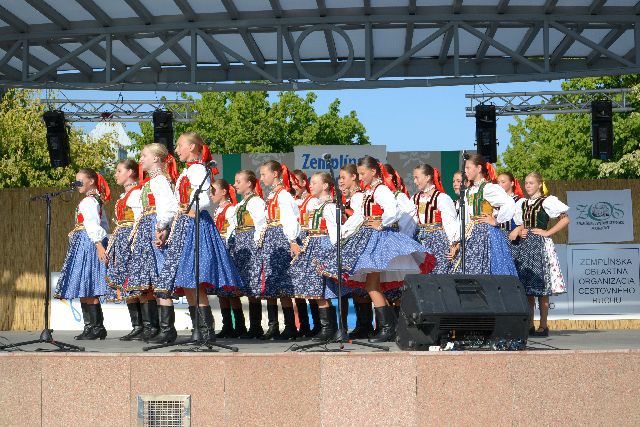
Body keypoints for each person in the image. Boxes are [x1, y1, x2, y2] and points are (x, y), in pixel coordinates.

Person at [316, 156, 434, 342]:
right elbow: (360, 216)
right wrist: (344, 231)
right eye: (359, 174)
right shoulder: (368, 192)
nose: (360, 177)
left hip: (378, 240)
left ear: (373, 172)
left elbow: (393, 210)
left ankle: (388, 328)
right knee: (372, 285)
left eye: (363, 173)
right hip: (367, 238)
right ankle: (391, 327)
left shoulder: (381, 190)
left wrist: (381, 222)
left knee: (371, 285)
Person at [155, 132, 243, 343]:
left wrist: (188, 212)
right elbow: (178, 202)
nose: (177, 150)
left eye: (180, 145)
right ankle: (199, 329)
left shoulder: (197, 169)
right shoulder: (189, 171)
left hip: (194, 225)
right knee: (188, 280)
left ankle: (205, 330)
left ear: (192, 147)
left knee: (194, 279)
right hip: (184, 224)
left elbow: (203, 199)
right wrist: (167, 226)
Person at [127, 143, 179, 343]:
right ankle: (159, 328)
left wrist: (162, 227)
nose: (141, 159)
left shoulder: (159, 180)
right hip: (148, 227)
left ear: (156, 158)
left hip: (155, 227)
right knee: (154, 277)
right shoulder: (152, 181)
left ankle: (168, 329)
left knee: (161, 275)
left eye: (144, 155)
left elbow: (169, 206)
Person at [509, 172, 569, 337]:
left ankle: (543, 325)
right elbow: (521, 224)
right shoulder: (522, 203)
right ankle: (529, 324)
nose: (528, 186)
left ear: (539, 184)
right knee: (527, 288)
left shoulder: (547, 201)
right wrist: (520, 230)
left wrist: (548, 232)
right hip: (525, 245)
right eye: (526, 183)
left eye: (531, 183)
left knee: (542, 288)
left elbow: (565, 219)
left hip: (540, 245)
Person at [54, 168, 110, 340]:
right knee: (84, 285)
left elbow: (95, 225)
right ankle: (90, 327)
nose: (77, 184)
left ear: (91, 181)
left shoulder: (89, 201)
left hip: (88, 243)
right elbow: (104, 225)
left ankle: (96, 327)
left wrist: (99, 244)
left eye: (80, 181)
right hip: (85, 241)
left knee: (89, 284)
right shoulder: (93, 200)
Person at [290, 172, 340, 341]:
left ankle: (329, 329)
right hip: (313, 246)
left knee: (322, 290)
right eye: (310, 183)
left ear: (325, 186)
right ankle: (327, 328)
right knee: (317, 290)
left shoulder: (330, 207)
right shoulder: (318, 206)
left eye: (314, 182)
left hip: (323, 248)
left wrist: (332, 254)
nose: (310, 185)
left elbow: (335, 232)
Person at [451, 154, 517, 276]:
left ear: (479, 168)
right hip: (470, 234)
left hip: (486, 234)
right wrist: (457, 241)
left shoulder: (488, 188)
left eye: (468, 168)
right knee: (467, 271)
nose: (465, 171)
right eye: (465, 169)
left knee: (488, 270)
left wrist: (496, 221)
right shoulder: (468, 191)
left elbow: (509, 203)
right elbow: (463, 218)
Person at [257, 160, 301, 340]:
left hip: (280, 239)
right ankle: (273, 326)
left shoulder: (283, 195)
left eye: (264, 174)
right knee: (271, 282)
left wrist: (292, 240)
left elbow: (290, 218)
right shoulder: (273, 195)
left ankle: (290, 327)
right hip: (271, 239)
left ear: (275, 174)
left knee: (282, 283)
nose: (261, 178)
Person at [105, 159, 145, 341]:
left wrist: (135, 242)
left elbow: (139, 219)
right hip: (122, 240)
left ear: (130, 172)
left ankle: (147, 326)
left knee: (135, 281)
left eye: (119, 170)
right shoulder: (125, 195)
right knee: (126, 282)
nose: (116, 174)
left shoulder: (137, 194)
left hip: (131, 240)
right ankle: (137, 326)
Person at [227, 170, 267, 339]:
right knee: (244, 285)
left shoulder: (256, 201)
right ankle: (245, 326)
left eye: (238, 181)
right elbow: (233, 226)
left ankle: (256, 327)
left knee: (252, 284)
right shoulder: (240, 204)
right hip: (240, 243)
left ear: (249, 183)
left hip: (251, 242)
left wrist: (256, 245)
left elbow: (261, 223)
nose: (235, 185)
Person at [338, 164, 372, 339]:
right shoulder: (350, 198)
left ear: (354, 177)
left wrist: (343, 232)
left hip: (356, 241)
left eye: (343, 177)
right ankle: (361, 324)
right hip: (350, 241)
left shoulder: (358, 197)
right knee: (355, 286)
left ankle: (365, 325)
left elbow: (359, 218)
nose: (341, 181)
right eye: (339, 178)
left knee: (361, 286)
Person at [210, 178, 247, 338]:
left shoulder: (231, 209)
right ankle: (227, 326)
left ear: (224, 192)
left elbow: (233, 230)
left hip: (228, 250)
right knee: (221, 291)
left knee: (231, 291)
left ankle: (240, 326)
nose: (211, 195)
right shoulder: (217, 210)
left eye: (214, 191)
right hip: (220, 250)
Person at [412, 163, 459, 274]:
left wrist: (453, 244)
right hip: (420, 241)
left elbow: (450, 223)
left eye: (417, 177)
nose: (414, 181)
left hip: (437, 241)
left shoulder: (442, 198)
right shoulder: (414, 198)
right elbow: (409, 223)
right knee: (421, 274)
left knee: (438, 273)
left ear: (427, 177)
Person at [291, 169, 314, 337]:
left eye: (295, 183)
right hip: (295, 243)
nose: (293, 186)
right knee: (297, 286)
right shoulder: (291, 201)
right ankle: (304, 326)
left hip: (309, 242)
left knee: (311, 285)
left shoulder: (312, 201)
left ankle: (319, 325)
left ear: (304, 183)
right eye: (291, 184)